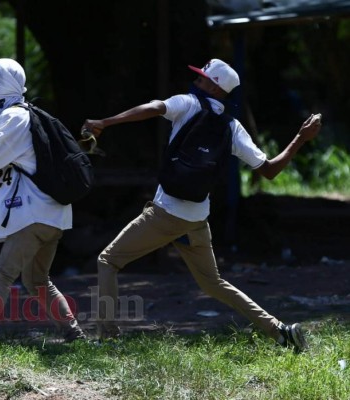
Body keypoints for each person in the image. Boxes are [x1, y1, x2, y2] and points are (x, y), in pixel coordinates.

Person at [81, 58, 322, 352]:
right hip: (195, 218)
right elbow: (269, 170)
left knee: (108, 261)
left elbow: (154, 107)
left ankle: (107, 338)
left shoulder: (188, 104)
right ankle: (281, 331)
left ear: (214, 86)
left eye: (202, 78)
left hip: (166, 214)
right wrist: (301, 137)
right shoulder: (232, 127)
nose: (196, 81)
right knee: (213, 283)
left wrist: (105, 123)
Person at [0, 58, 86, 342]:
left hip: (34, 214)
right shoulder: (14, 115)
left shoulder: (14, 117)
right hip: (51, 214)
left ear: (4, 84)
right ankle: (74, 335)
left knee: (1, 273)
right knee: (37, 281)